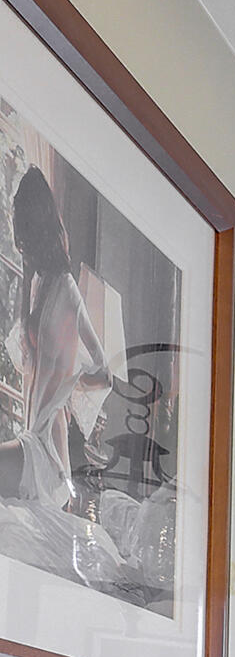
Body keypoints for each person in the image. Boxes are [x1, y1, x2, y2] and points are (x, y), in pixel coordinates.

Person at [0, 167, 111, 516]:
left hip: (44, 453)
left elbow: (104, 375)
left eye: (22, 224)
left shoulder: (65, 287)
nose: (20, 238)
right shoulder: (38, 285)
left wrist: (71, 379)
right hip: (37, 444)